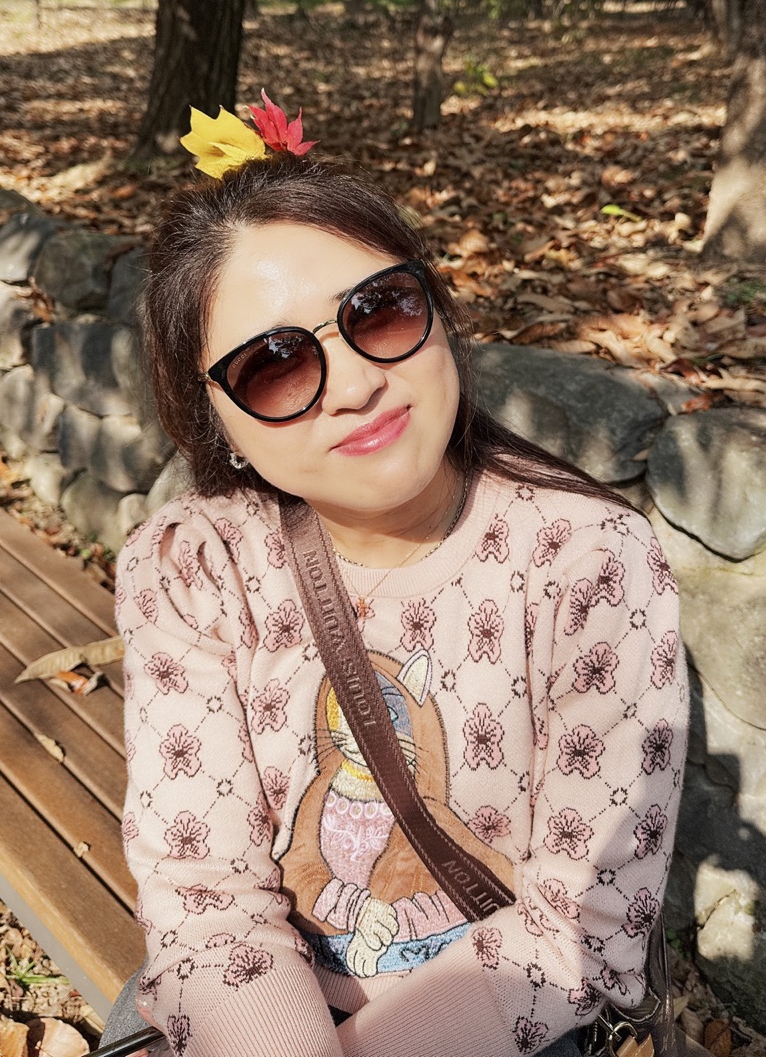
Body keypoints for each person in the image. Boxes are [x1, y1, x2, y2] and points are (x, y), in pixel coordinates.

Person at [107, 96, 688, 1057]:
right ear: (217, 421)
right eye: (274, 367)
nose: (356, 384)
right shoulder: (195, 570)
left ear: (439, 313)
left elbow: (576, 930)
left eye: (378, 311)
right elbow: (208, 903)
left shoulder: (587, 562)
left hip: (501, 1018)